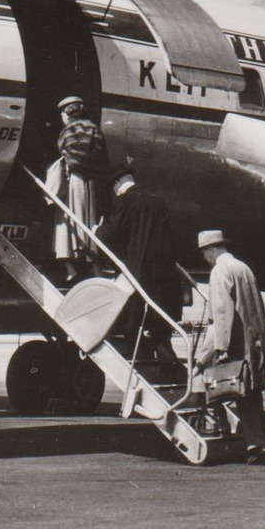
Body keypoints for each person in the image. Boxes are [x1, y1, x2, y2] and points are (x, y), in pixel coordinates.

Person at [195, 230, 265, 461]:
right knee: (251, 395)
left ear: (211, 249)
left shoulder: (220, 270)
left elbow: (221, 311)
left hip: (235, 344)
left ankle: (244, 440)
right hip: (253, 341)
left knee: (217, 388)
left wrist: (220, 348)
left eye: (204, 253)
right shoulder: (243, 267)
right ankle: (257, 440)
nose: (204, 259)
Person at [95, 165, 180, 363]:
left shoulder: (125, 201)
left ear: (117, 183)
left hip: (139, 268)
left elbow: (113, 233)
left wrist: (97, 230)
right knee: (159, 317)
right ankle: (168, 362)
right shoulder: (158, 201)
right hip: (163, 269)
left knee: (132, 314)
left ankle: (139, 354)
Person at [49, 96, 110, 278]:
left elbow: (68, 154)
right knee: (91, 223)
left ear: (67, 115)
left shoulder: (69, 130)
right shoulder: (95, 129)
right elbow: (102, 158)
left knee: (66, 220)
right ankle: (96, 270)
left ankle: (70, 269)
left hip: (75, 179)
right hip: (93, 182)